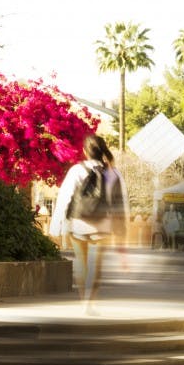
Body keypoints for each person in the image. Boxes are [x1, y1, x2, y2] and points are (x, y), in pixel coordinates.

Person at [50, 134, 128, 315]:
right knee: (95, 265)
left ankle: (83, 300)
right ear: (103, 150)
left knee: (81, 263)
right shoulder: (113, 173)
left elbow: (64, 199)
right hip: (102, 226)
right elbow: (120, 202)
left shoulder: (76, 170)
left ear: (85, 152)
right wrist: (121, 229)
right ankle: (89, 304)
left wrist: (56, 226)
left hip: (78, 224)